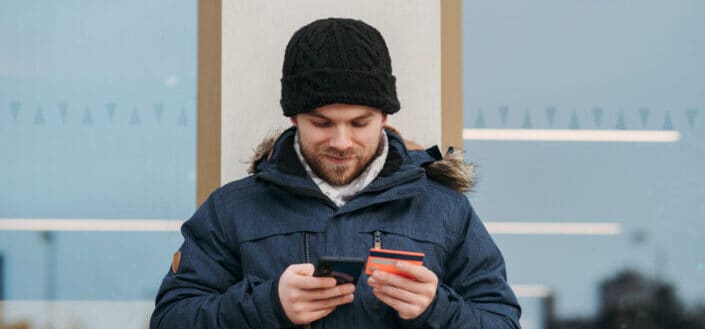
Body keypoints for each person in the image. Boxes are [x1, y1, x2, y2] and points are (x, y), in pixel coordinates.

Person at [150, 18, 521, 329]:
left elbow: (502, 320)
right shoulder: (230, 209)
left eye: (359, 123)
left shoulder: (446, 211)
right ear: (293, 118)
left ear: (385, 117)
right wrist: (267, 305)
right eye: (322, 122)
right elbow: (170, 320)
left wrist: (438, 309)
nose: (342, 141)